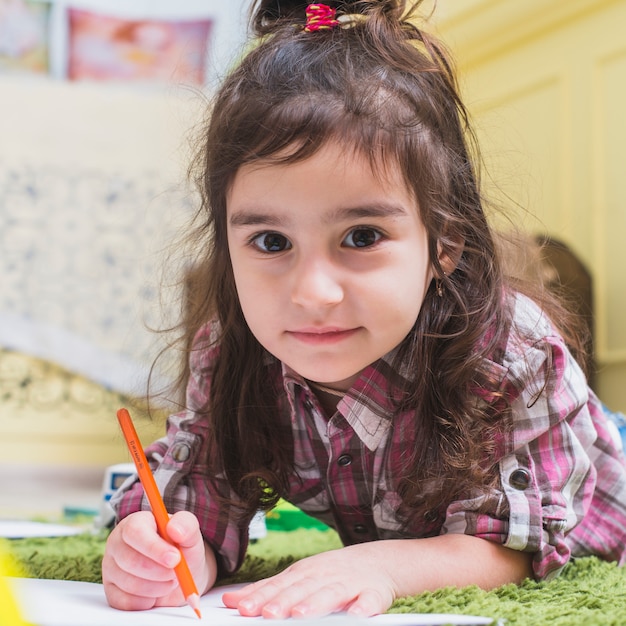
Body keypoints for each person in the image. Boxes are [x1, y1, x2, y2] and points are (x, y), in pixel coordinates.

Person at [102, 0, 626, 619]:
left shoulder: (511, 353)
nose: (313, 293)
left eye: (361, 237)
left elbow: (512, 548)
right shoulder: (229, 353)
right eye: (271, 242)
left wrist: (375, 563)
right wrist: (167, 554)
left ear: (444, 244)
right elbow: (200, 506)